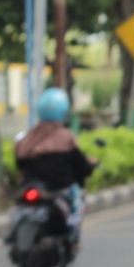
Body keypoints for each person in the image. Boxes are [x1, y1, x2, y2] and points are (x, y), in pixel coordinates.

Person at [14, 87, 95, 244]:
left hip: (31, 186)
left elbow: (20, 163)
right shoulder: (66, 138)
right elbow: (80, 165)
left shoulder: (29, 137)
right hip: (59, 188)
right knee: (77, 201)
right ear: (63, 111)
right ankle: (73, 237)